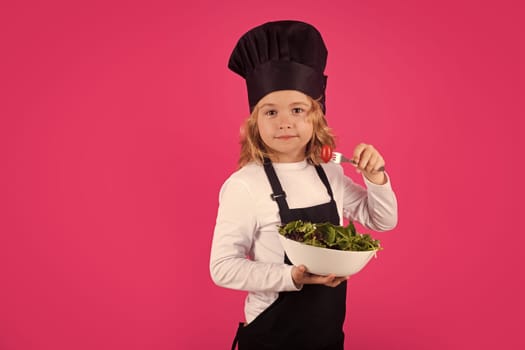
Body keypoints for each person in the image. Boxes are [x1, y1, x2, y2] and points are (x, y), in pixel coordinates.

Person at [209, 20, 398, 350]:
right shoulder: (244, 185)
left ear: (317, 116)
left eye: (297, 109)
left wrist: (376, 177)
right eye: (270, 112)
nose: (284, 122)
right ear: (254, 122)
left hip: (326, 336)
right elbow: (222, 268)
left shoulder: (329, 172)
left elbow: (382, 220)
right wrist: (291, 277)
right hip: (271, 335)